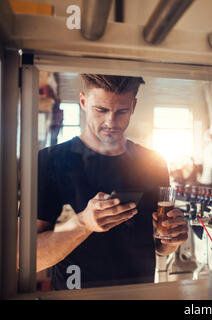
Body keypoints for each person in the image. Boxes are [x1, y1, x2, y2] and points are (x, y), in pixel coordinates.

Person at [37, 74, 188, 290]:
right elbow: (24, 259)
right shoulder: (50, 161)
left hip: (139, 295)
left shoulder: (153, 162)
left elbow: (159, 246)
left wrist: (171, 240)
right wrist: (83, 224)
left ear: (133, 106)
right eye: (101, 110)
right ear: (83, 102)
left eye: (121, 111)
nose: (111, 122)